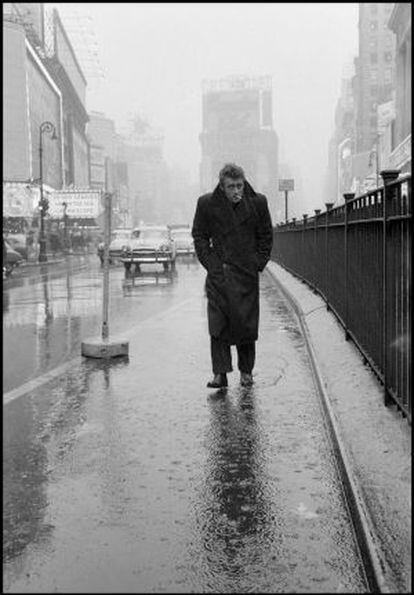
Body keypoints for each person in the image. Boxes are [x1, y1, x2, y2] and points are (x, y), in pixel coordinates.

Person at [192, 163, 273, 388]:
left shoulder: (257, 202)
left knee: (245, 325)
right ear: (222, 186)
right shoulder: (207, 204)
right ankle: (220, 373)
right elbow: (199, 236)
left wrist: (257, 263)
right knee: (218, 325)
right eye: (231, 187)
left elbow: (266, 235)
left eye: (239, 185)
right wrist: (211, 264)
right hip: (220, 275)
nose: (237, 191)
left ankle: (246, 372)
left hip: (245, 275)